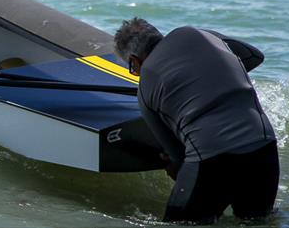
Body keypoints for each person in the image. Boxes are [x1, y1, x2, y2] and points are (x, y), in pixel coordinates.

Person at [113, 18, 278, 224]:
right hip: (264, 145)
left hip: (211, 157)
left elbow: (178, 157)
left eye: (133, 70)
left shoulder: (146, 84)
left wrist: (173, 169)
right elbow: (255, 56)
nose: (137, 74)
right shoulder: (200, 34)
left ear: (135, 61)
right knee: (258, 222)